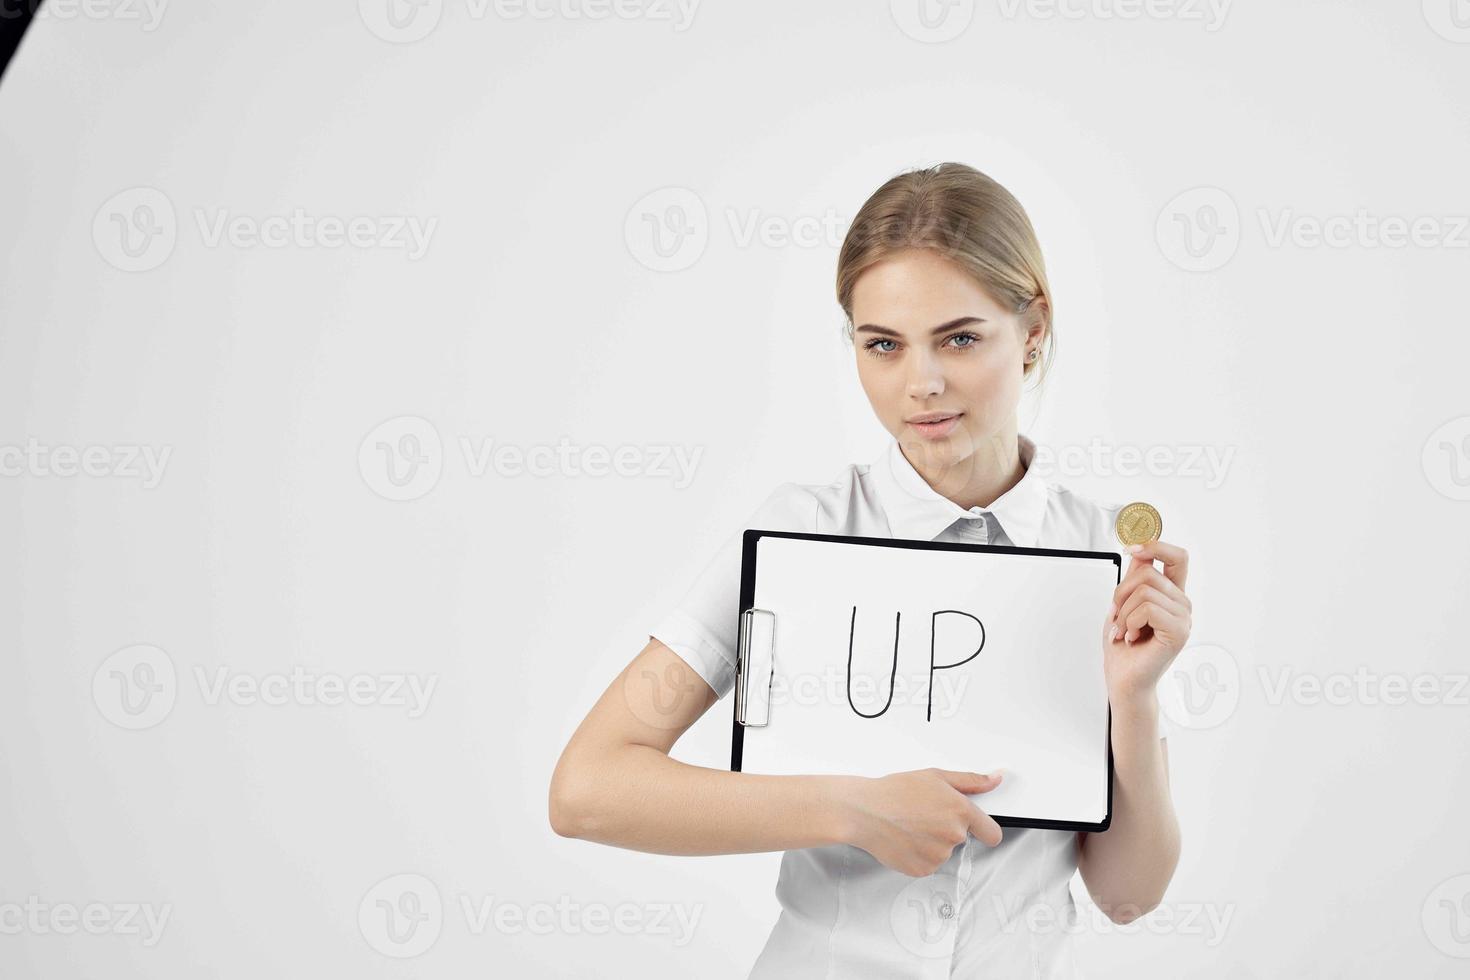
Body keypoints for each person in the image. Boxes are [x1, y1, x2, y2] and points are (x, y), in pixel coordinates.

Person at [549, 162, 1189, 978]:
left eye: (960, 337)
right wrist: (852, 809)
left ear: (1032, 329)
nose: (919, 384)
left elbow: (1128, 897)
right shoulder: (799, 534)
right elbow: (588, 789)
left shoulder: (1099, 553)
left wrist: (1133, 698)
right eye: (882, 344)